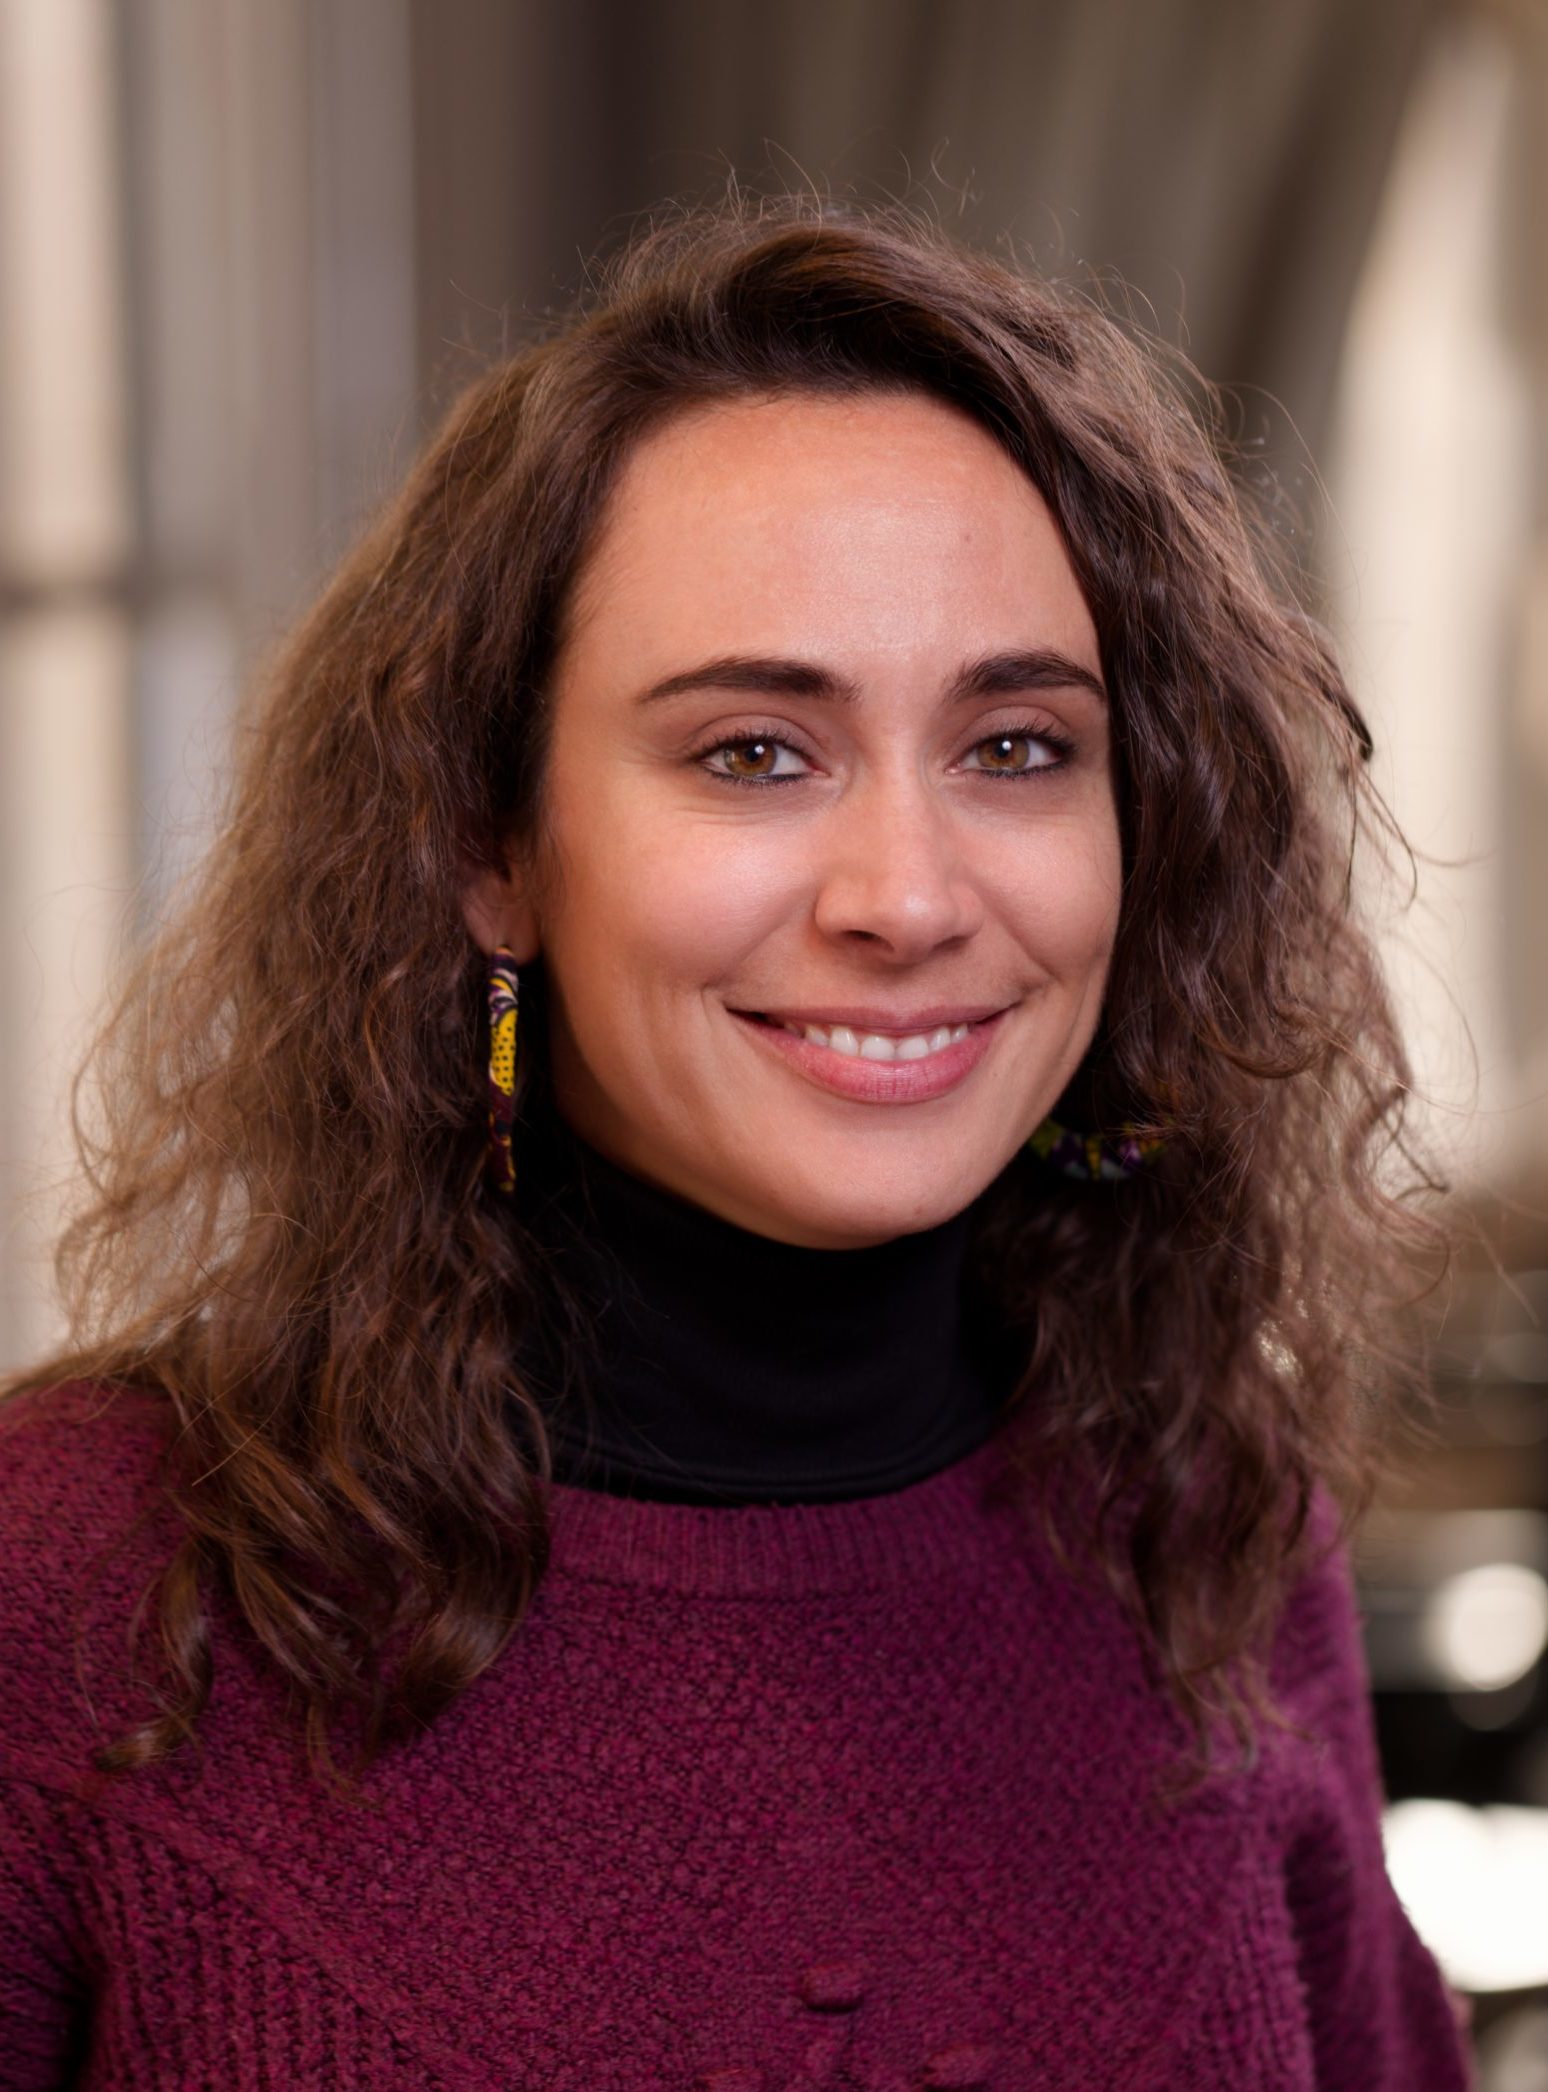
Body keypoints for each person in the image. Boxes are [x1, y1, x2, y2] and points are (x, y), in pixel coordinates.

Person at [0, 191, 1475, 2089]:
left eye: (1017, 746)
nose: (909, 893)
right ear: (491, 850)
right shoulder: (81, 1582)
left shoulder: (1203, 1529)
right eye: (754, 754)